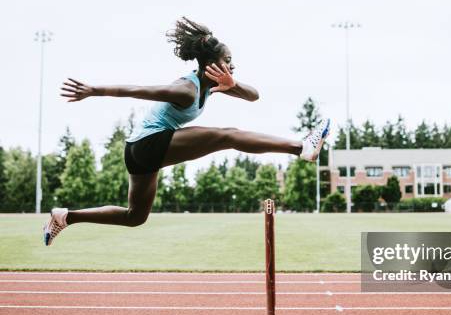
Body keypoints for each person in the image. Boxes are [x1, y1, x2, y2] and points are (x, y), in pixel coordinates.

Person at [44, 17, 329, 246]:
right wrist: (94, 90)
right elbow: (139, 90)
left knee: (135, 217)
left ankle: (65, 217)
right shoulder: (188, 89)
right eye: (228, 60)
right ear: (211, 64)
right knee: (226, 135)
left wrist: (232, 84)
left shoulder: (212, 86)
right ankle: (301, 147)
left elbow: (254, 96)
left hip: (139, 151)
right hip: (148, 143)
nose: (233, 65)